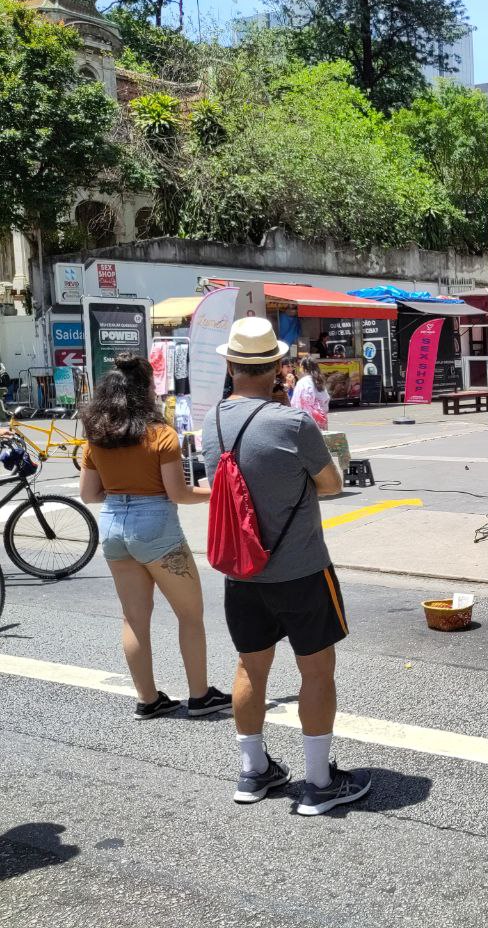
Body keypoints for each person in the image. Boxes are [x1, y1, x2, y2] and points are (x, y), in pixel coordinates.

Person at [202, 317, 370, 815]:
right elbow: (331, 484)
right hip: (300, 570)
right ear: (277, 368)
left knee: (251, 667)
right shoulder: (292, 424)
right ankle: (318, 782)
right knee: (317, 672)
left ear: (231, 366)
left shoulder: (211, 424)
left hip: (242, 573)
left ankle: (254, 772)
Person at [77, 353, 231, 720]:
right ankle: (199, 696)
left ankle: (148, 700)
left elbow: (88, 494)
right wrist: (214, 492)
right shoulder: (161, 435)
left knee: (133, 619)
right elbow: (177, 494)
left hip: (114, 524)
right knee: (189, 615)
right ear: (146, 389)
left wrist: (121, 492)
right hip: (157, 527)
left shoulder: (97, 435)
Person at [290, 355, 330, 430]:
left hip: (306, 421)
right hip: (321, 420)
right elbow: (326, 399)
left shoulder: (302, 382)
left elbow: (296, 403)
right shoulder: (319, 380)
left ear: (303, 367)